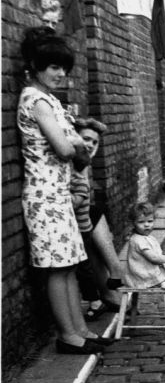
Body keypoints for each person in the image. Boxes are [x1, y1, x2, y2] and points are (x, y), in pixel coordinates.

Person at [17, 27, 109, 355]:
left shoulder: (52, 101)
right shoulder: (35, 100)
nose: (60, 74)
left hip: (59, 195)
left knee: (69, 264)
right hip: (43, 197)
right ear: (35, 66)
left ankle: (80, 329)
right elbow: (67, 148)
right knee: (58, 269)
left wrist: (74, 144)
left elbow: (81, 153)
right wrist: (72, 142)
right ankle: (67, 335)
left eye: (64, 68)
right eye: (53, 67)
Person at [70, 117, 126, 320]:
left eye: (95, 142)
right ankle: (115, 272)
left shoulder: (85, 163)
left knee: (94, 222)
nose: (90, 145)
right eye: (86, 138)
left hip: (81, 221)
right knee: (95, 214)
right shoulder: (72, 160)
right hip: (68, 221)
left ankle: (111, 284)